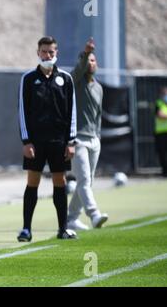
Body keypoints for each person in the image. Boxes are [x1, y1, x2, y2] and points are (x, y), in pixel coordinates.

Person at [17, 36, 77, 242]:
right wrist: (26, 141)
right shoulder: (28, 79)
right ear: (38, 53)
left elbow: (72, 112)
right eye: (44, 51)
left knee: (60, 181)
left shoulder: (66, 79)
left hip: (59, 142)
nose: (47, 55)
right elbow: (22, 111)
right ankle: (26, 229)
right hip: (36, 142)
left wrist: (71, 141)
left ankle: (63, 228)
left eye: (51, 52)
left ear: (56, 53)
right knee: (33, 181)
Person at [66, 38, 109, 231]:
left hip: (94, 139)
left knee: (88, 181)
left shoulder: (99, 88)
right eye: (88, 60)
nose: (91, 63)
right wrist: (85, 52)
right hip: (79, 139)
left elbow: (98, 115)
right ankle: (94, 214)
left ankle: (72, 218)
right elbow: (77, 70)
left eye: (93, 60)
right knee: (83, 180)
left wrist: (98, 136)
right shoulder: (76, 82)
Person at [154, 86, 167, 177]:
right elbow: (160, 115)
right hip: (160, 133)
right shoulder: (158, 103)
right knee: (162, 153)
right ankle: (164, 171)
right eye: (164, 93)